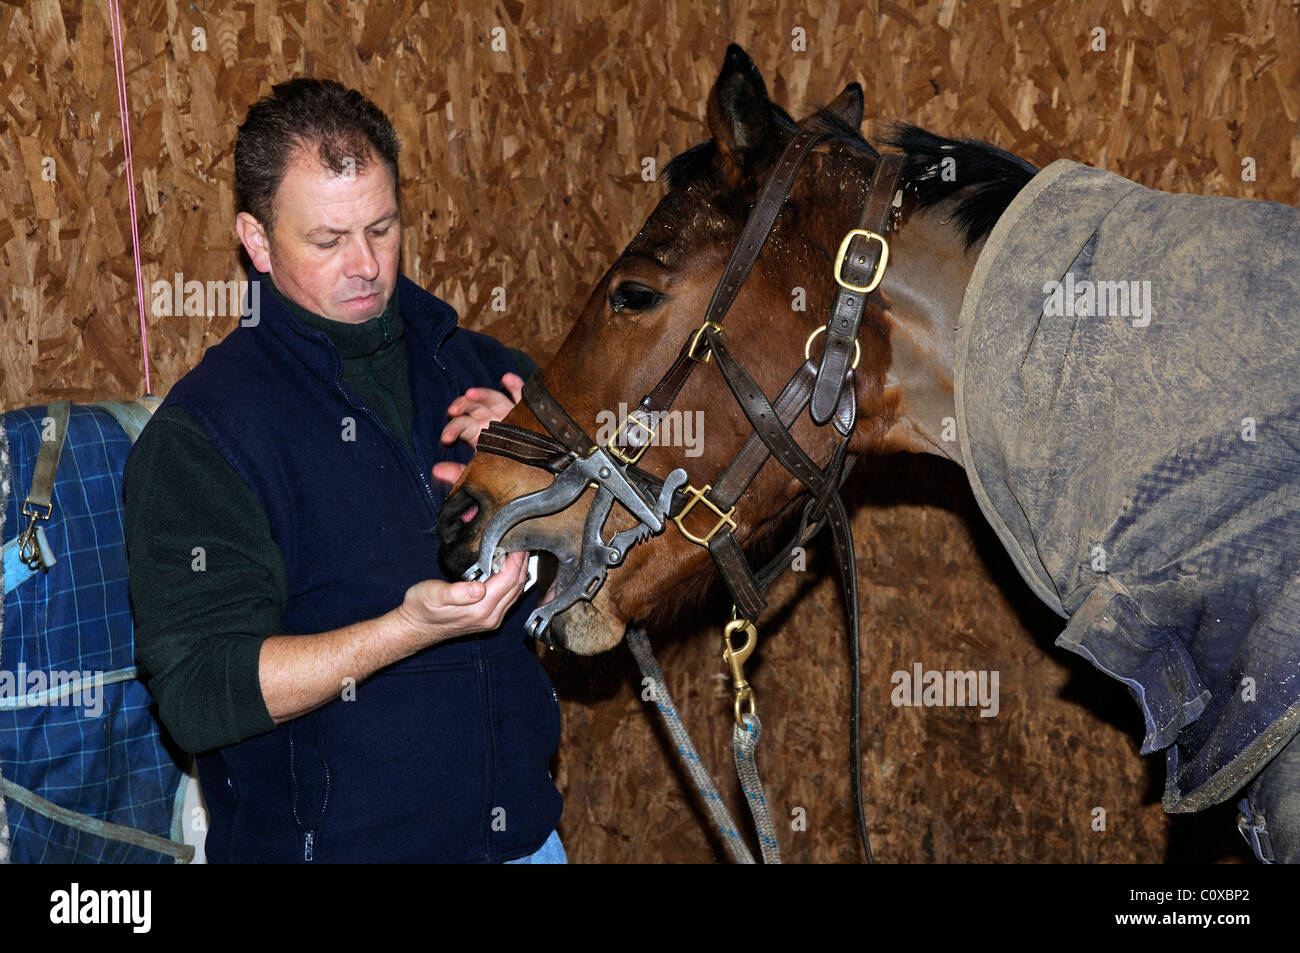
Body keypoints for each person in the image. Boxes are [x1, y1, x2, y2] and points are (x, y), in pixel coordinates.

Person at [123, 78, 563, 863]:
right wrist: (403, 630)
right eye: (327, 241)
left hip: (527, 846)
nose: (365, 264)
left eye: (383, 228)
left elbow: (600, 587)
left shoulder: (488, 372)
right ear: (256, 242)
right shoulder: (206, 433)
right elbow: (198, 693)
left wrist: (549, 462)